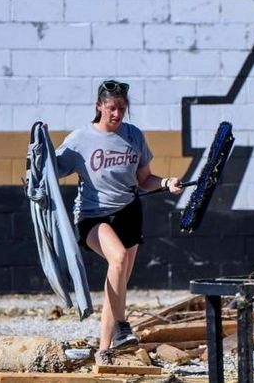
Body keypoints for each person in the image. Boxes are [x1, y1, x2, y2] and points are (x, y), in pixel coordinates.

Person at [56, 80, 183, 365]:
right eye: (112, 108)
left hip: (129, 213)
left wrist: (166, 182)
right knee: (118, 259)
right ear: (99, 106)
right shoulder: (79, 139)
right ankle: (123, 327)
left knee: (118, 284)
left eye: (122, 108)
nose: (117, 114)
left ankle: (104, 351)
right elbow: (52, 171)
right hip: (93, 216)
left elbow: (144, 179)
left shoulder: (134, 136)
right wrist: (35, 167)